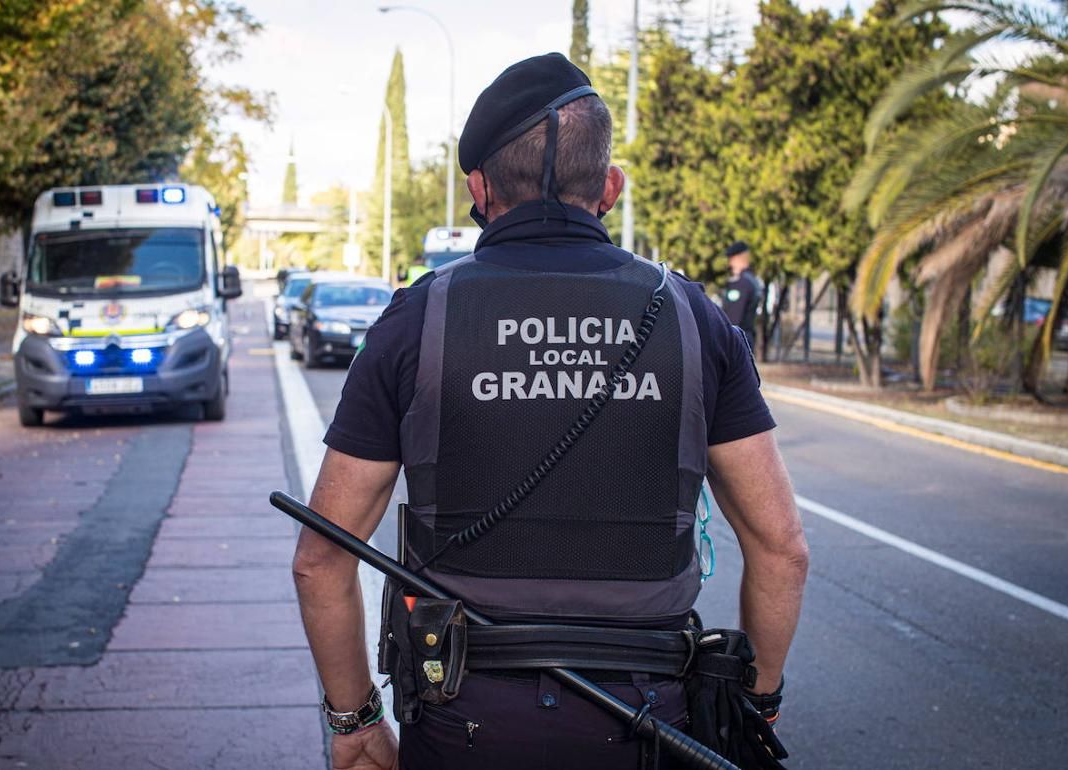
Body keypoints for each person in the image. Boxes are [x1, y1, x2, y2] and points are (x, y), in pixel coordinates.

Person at [292, 53, 809, 770]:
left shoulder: (418, 317)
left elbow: (321, 560)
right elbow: (782, 548)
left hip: (462, 719)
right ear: (610, 187)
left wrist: (355, 724)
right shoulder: (695, 318)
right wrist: (757, 705)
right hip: (651, 725)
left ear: (478, 187)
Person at [721, 241, 764, 349]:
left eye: (731, 260)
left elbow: (732, 320)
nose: (730, 265)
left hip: (737, 342)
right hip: (747, 338)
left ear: (737, 258)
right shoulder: (753, 280)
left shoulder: (741, 284)